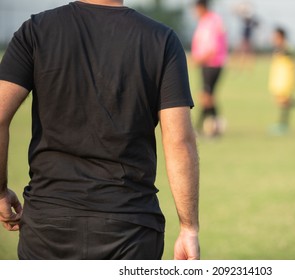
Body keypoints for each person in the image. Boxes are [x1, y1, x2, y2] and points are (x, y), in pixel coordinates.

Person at [0, 0, 199, 260]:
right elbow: (179, 141)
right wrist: (188, 228)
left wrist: (1, 190)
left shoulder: (36, 30)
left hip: (48, 225)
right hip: (130, 229)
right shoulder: (161, 39)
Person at [192, 0, 228, 137]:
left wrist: (197, 59)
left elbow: (212, 48)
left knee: (207, 96)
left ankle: (210, 126)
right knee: (207, 95)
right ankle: (210, 125)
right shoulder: (206, 21)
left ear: (201, 8)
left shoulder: (211, 22)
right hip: (207, 64)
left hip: (212, 63)